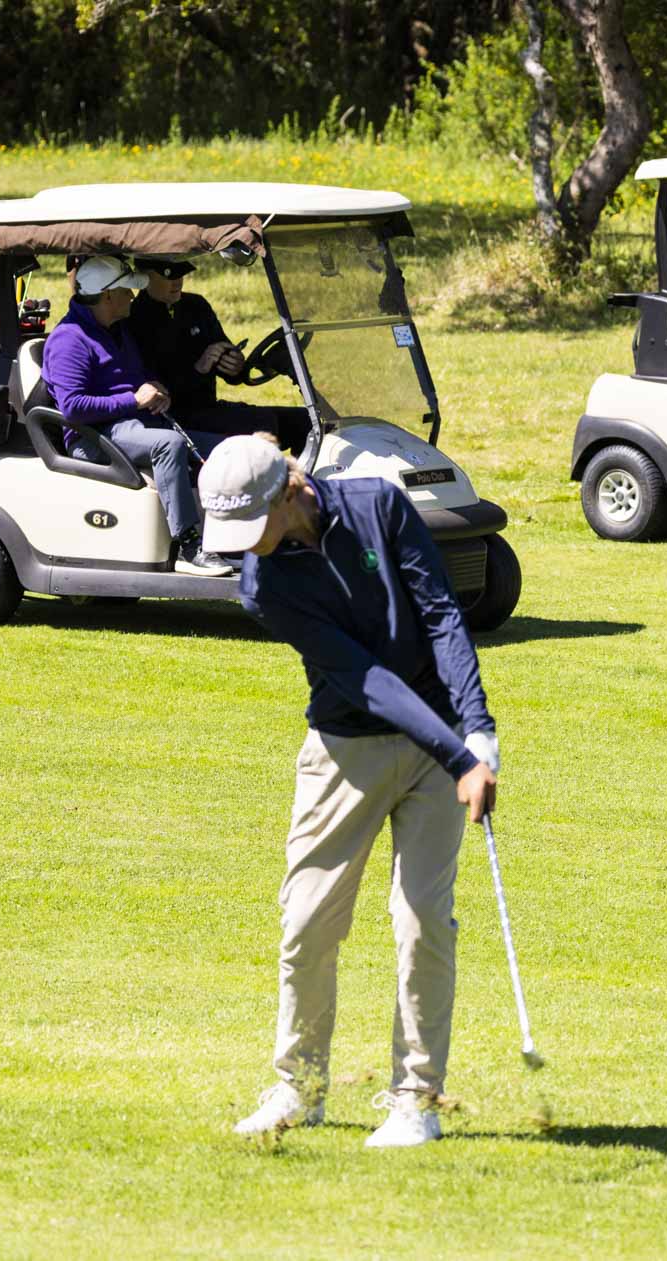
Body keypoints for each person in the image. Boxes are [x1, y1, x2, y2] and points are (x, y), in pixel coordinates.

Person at [204, 434, 498, 1150]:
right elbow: (364, 679)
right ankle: (299, 1087)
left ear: (289, 493)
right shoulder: (263, 586)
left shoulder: (379, 506)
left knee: (423, 920)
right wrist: (461, 754)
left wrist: (478, 730)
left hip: (440, 746)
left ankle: (416, 1098)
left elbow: (441, 614)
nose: (246, 545)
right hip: (344, 749)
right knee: (307, 921)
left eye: (253, 524)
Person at [40, 255, 236, 576]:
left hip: (132, 426)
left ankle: (233, 537)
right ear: (107, 296)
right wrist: (133, 399)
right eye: (126, 290)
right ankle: (188, 547)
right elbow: (73, 407)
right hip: (94, 437)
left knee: (228, 449)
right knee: (169, 444)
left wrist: (154, 387)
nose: (133, 296)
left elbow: (136, 375)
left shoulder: (115, 329)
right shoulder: (68, 340)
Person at [128, 259, 313, 455]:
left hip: (208, 408)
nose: (177, 282)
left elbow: (230, 367)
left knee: (306, 419)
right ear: (144, 277)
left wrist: (234, 365)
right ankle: (265, 472)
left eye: (180, 274)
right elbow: (150, 387)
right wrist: (198, 368)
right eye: (168, 276)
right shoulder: (134, 318)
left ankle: (303, 474)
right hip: (172, 416)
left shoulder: (196, 306)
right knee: (264, 422)